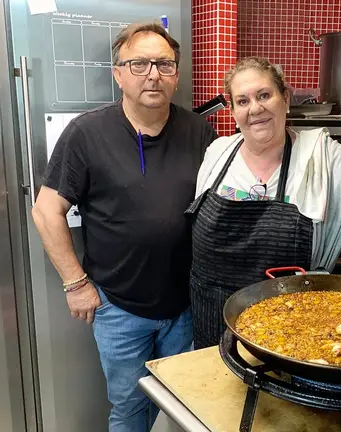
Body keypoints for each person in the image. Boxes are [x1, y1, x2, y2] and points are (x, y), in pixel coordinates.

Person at [31, 23, 218, 432]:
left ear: (176, 75)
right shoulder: (86, 133)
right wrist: (75, 284)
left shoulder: (200, 132)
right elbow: (46, 211)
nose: (153, 74)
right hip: (119, 307)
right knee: (130, 408)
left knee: (186, 407)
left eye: (164, 64)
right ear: (118, 74)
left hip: (186, 306)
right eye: (139, 64)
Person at [185, 56, 341, 349]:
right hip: (211, 321)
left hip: (289, 331)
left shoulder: (321, 154)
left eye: (264, 95)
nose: (255, 108)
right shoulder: (217, 153)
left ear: (285, 98)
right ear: (233, 111)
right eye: (243, 101)